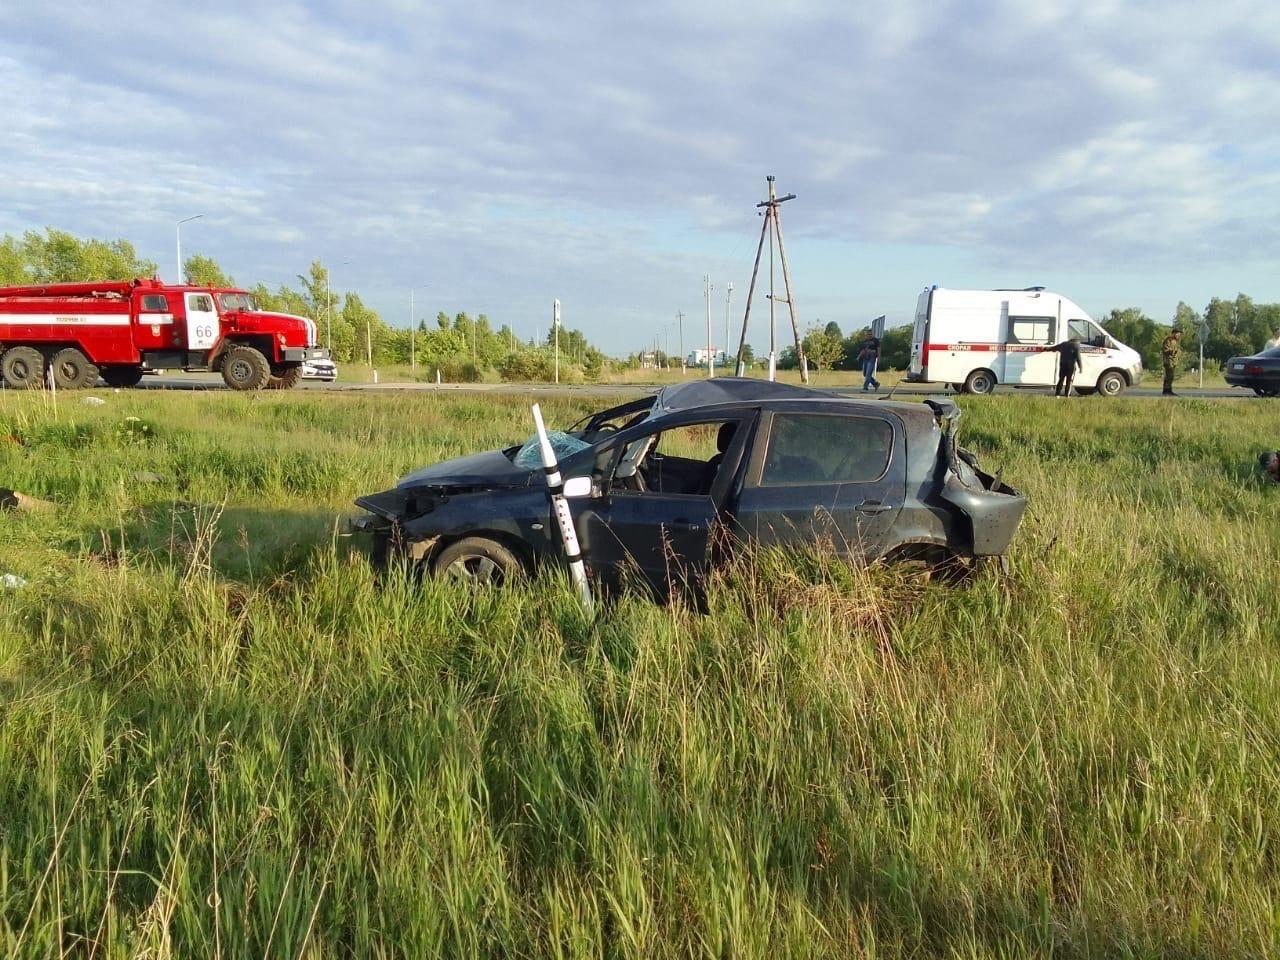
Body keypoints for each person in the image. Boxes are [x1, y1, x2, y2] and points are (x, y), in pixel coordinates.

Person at [1161, 329, 1183, 396]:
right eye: (1177, 334)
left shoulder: (1175, 341)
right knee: (1169, 376)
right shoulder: (1168, 340)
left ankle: (1167, 390)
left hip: (1173, 362)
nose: (1178, 335)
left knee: (1170, 377)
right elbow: (1165, 350)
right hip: (1168, 361)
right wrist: (1174, 351)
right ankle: (1167, 391)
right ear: (1173, 333)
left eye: (1179, 334)